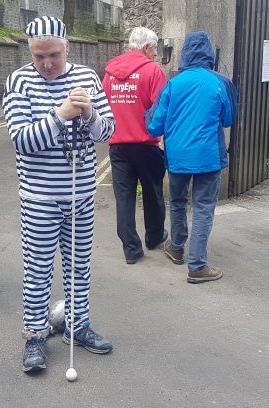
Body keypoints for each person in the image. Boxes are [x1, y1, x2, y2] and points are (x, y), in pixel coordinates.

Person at [2, 16, 116, 372]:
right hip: (39, 197)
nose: (47, 64)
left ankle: (76, 325)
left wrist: (90, 115)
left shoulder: (88, 78)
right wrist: (60, 114)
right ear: (30, 52)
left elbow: (107, 132)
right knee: (37, 269)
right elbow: (22, 141)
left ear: (67, 47)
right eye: (39, 56)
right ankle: (35, 335)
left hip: (81, 194)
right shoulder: (18, 81)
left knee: (78, 266)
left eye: (53, 54)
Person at [146, 31, 233, 284]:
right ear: (208, 54)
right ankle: (197, 265)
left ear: (184, 53)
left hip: (178, 158)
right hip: (208, 157)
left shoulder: (172, 84)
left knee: (178, 202)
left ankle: (176, 247)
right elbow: (227, 119)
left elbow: (154, 127)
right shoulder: (218, 83)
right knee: (204, 208)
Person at [103, 27, 168, 264]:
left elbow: (104, 105)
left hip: (118, 145)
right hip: (146, 145)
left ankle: (131, 250)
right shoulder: (152, 71)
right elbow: (161, 109)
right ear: (146, 47)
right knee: (152, 194)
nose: (155, 54)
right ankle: (153, 237)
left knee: (124, 198)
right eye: (154, 48)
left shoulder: (110, 72)